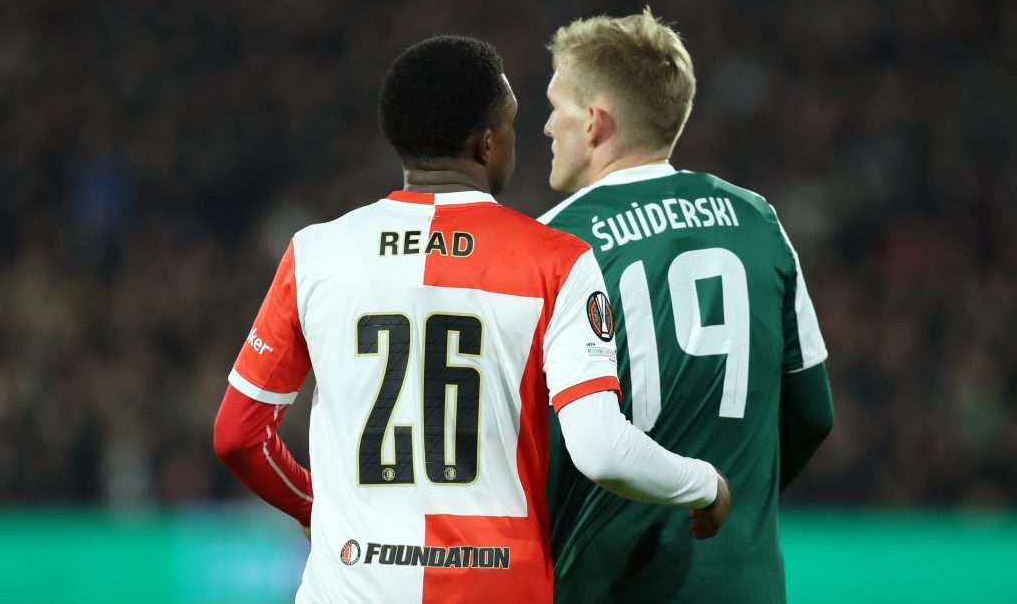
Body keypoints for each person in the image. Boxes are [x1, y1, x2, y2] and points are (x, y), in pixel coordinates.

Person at [212, 35, 731, 604]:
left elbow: (239, 436)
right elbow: (601, 448)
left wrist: (313, 507)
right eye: (510, 124)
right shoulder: (557, 262)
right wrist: (704, 484)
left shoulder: (316, 253)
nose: (520, 136)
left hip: (352, 584)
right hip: (495, 584)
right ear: (486, 144)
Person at [538, 9, 835, 603]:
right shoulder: (758, 221)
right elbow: (813, 414)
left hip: (608, 586)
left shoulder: (553, 243)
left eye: (557, 106)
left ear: (594, 122)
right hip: (744, 582)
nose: (547, 126)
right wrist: (733, 504)